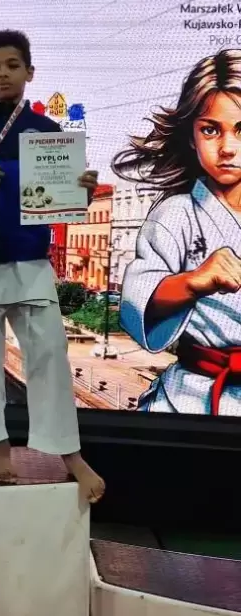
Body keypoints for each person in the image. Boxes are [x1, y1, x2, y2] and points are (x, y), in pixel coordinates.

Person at [0, 30, 105, 503]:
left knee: (50, 357)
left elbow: (62, 204)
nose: (3, 74)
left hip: (30, 260)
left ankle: (69, 454)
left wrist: (81, 192)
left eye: (12, 65)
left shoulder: (48, 132)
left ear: (29, 72)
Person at [112, 49, 241, 416]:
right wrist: (192, 282)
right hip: (193, 397)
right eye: (210, 130)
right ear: (190, 137)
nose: (227, 148)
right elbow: (136, 302)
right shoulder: (176, 214)